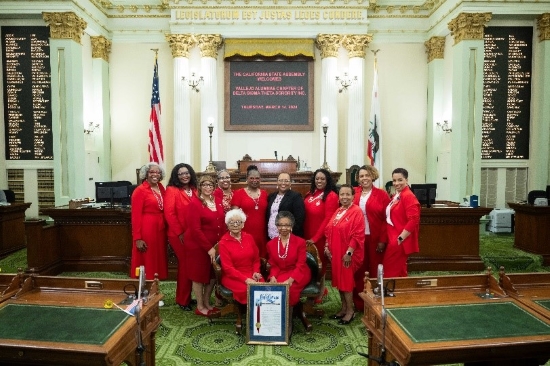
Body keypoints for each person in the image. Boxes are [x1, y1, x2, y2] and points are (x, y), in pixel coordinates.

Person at [184, 175, 226, 317]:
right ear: (200, 187)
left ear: (214, 187)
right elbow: (195, 230)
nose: (208, 187)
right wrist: (208, 248)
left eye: (211, 185)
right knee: (199, 275)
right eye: (205, 185)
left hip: (216, 246)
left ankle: (208, 302)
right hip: (198, 246)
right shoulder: (194, 204)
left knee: (212, 274)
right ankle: (200, 306)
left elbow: (222, 223)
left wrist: (220, 245)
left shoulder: (218, 201)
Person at [324, 184, 365, 325]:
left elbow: (357, 235)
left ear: (353, 196)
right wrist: (327, 246)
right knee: (340, 282)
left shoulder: (356, 211)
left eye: (348, 194)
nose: (345, 197)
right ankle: (343, 308)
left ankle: (350, 311)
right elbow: (329, 230)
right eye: (342, 194)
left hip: (347, 254)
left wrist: (349, 253)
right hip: (335, 253)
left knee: (346, 283)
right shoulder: (339, 210)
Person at [352, 165, 391, 311]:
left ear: (372, 176)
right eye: (361, 176)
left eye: (367, 175)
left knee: (375, 271)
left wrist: (382, 240)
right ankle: (359, 302)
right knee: (358, 270)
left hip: (375, 238)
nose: (364, 178)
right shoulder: (353, 193)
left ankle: (375, 302)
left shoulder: (382, 195)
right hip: (357, 238)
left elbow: (386, 219)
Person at [266, 211, 312, 333]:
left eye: (287, 225)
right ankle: (273, 321)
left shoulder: (300, 242)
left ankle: (287, 324)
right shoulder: (270, 244)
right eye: (280, 225)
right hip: (281, 272)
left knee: (288, 291)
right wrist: (273, 276)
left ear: (291, 226)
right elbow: (274, 264)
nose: (284, 228)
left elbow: (301, 264)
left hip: (299, 272)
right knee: (273, 289)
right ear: (277, 226)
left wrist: (291, 280)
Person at [164, 163, 197, 311]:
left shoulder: (195, 189)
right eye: (181, 174)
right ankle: (182, 300)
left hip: (194, 234)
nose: (185, 176)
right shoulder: (172, 190)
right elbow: (169, 214)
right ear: (176, 177)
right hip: (179, 235)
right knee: (185, 266)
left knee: (192, 265)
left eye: (187, 173)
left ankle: (190, 297)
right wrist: (180, 233)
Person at [303, 168, 339, 303]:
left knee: (320, 265)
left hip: (320, 236)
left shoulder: (331, 196)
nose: (319, 181)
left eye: (322, 179)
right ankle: (314, 289)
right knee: (308, 263)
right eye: (317, 178)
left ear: (327, 180)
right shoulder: (310, 193)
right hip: (307, 234)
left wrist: (316, 238)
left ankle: (320, 292)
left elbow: (328, 219)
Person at [218, 208, 264, 306]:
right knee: (248, 289)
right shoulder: (223, 243)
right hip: (233, 277)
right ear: (227, 225)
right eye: (231, 222)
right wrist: (246, 280)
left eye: (238, 222)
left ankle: (260, 315)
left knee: (263, 288)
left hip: (251, 273)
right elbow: (228, 268)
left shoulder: (249, 238)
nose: (235, 225)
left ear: (243, 224)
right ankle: (250, 315)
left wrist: (256, 272)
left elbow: (256, 259)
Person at [130, 162, 168, 280]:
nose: (155, 174)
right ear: (146, 174)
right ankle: (145, 287)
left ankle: (155, 285)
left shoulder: (161, 188)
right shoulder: (140, 190)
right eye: (152, 172)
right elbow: (135, 216)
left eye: (158, 172)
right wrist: (138, 238)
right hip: (147, 228)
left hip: (160, 228)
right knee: (148, 258)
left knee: (158, 257)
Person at [384, 168, 421, 277]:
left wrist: (400, 238)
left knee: (391, 270)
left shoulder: (408, 196)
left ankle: (390, 292)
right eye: (394, 181)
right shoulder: (397, 195)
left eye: (400, 180)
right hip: (392, 237)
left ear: (406, 180)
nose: (396, 183)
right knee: (399, 270)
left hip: (399, 239)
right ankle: (402, 292)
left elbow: (414, 220)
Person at [231, 165, 268, 258]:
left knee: (261, 259)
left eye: (257, 178)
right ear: (247, 179)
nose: (254, 180)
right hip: (245, 233)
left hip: (262, 234)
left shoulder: (264, 194)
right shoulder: (238, 193)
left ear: (260, 179)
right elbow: (234, 216)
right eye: (251, 178)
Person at [266, 172, 306, 240]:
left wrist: (286, 232)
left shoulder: (296, 196)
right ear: (277, 182)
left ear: (290, 183)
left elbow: (299, 219)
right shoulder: (271, 196)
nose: (283, 183)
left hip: (287, 236)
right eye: (280, 180)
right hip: (271, 235)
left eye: (286, 181)